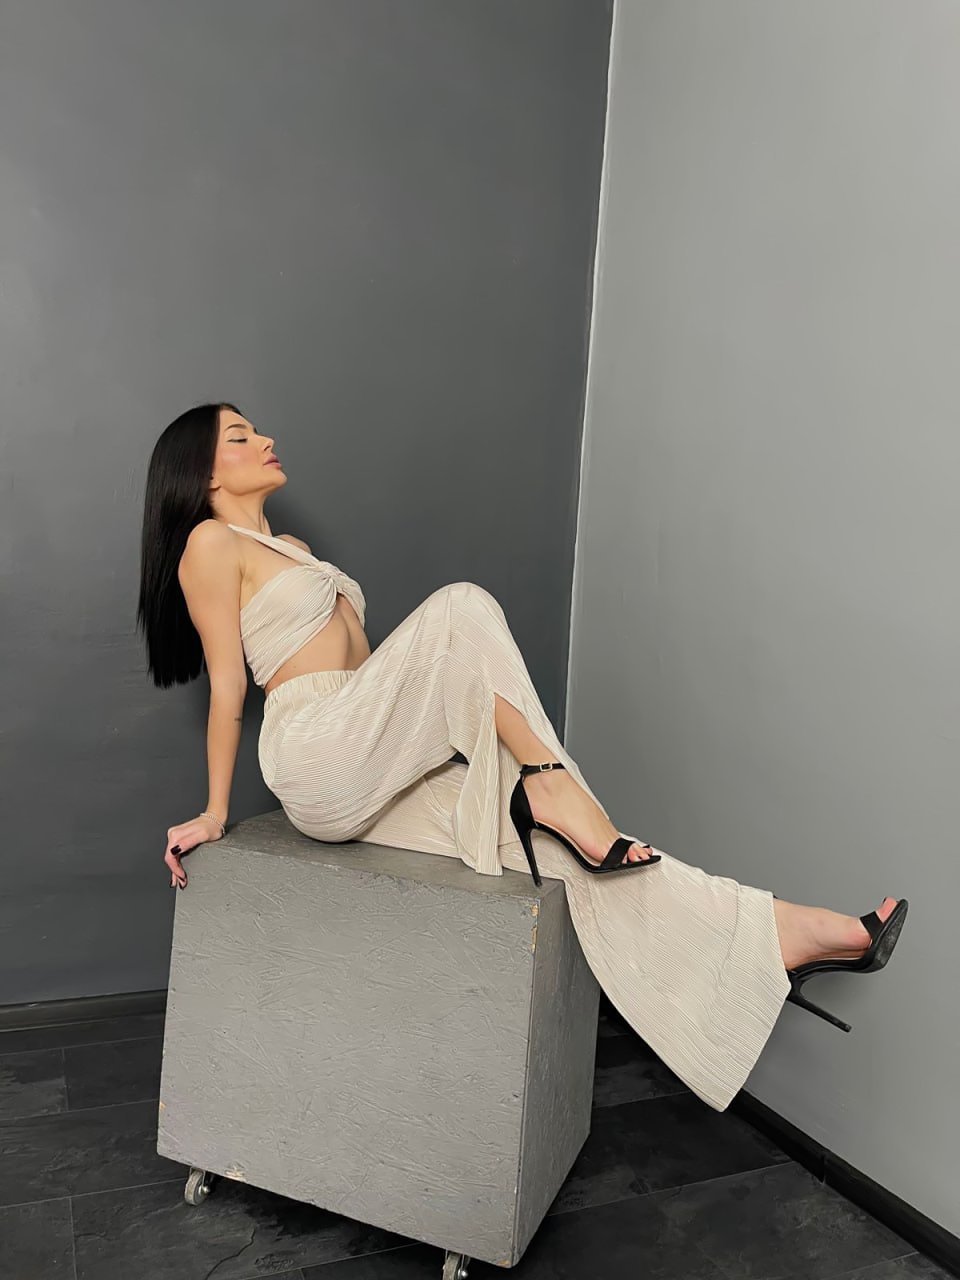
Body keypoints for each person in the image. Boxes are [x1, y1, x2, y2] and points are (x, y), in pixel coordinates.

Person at [137, 403, 908, 1112]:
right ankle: (552, 787)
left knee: (568, 854)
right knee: (462, 606)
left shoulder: (296, 551)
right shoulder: (210, 544)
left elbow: (375, 678)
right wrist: (214, 813)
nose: (266, 439)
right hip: (314, 752)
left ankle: (779, 935)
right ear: (205, 474)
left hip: (371, 750)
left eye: (257, 430)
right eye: (241, 437)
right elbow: (229, 687)